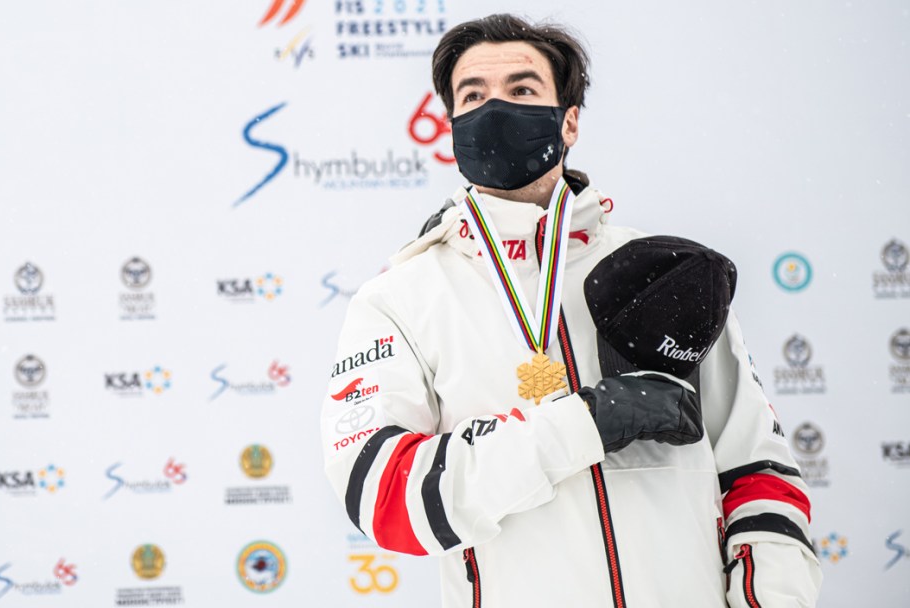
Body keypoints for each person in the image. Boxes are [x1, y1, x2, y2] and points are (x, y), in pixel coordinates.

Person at [321, 13, 820, 607]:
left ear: (570, 120)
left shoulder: (667, 275)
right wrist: (578, 427)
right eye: (473, 96)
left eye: (523, 90)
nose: (495, 110)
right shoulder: (400, 299)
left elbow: (758, 471)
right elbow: (386, 499)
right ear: (450, 124)